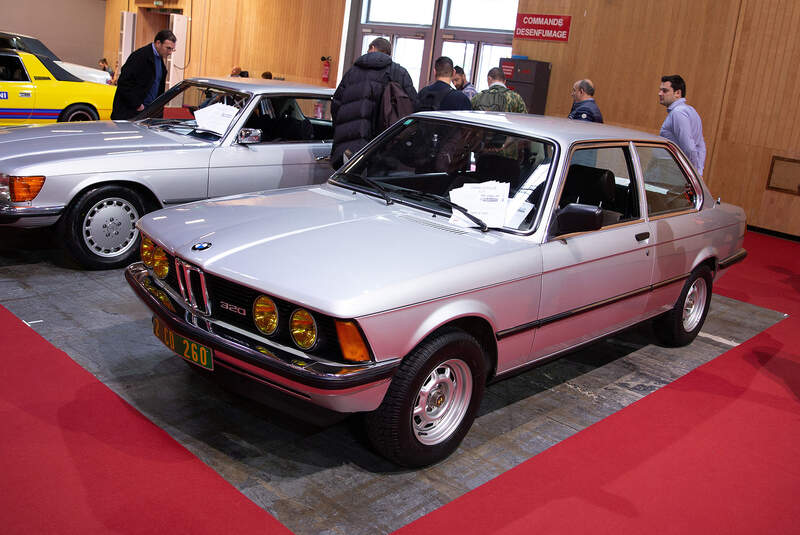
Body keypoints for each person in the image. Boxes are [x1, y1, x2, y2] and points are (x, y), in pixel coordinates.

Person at [331, 37, 417, 169]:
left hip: (352, 145)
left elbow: (336, 105)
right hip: (384, 146)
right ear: (388, 54)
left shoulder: (352, 72)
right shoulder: (399, 73)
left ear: (371, 48)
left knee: (349, 185)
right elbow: (412, 107)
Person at [111, 30, 176, 119]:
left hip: (148, 113)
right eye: (168, 48)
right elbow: (123, 83)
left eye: (172, 49)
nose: (170, 52)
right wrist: (137, 105)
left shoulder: (160, 61)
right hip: (131, 112)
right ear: (158, 43)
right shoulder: (139, 56)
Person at [658, 74, 706, 175]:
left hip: (671, 175)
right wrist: (699, 171)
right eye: (660, 90)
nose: (660, 93)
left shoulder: (678, 113)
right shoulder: (691, 110)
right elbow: (700, 146)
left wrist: (694, 175)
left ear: (678, 93)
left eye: (665, 91)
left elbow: (689, 147)